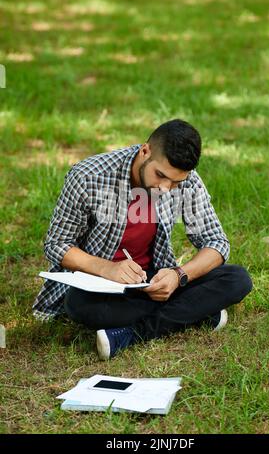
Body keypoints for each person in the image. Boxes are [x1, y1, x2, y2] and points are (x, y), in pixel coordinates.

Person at [33, 119, 252, 360]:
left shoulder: (185, 179)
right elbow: (57, 244)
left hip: (154, 280)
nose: (166, 188)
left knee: (237, 279)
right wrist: (108, 268)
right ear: (145, 151)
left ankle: (131, 334)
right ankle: (197, 313)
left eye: (175, 182)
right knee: (79, 304)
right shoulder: (88, 176)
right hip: (99, 284)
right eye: (160, 175)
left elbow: (216, 242)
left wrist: (178, 275)